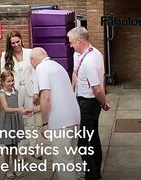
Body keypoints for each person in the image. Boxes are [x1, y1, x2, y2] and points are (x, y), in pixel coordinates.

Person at [29, 47, 81, 180]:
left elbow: (46, 97)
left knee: (63, 163)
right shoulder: (58, 66)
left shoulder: (41, 68)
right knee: (70, 159)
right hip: (74, 118)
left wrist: (44, 123)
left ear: (32, 59)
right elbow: (59, 97)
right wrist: (34, 110)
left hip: (59, 124)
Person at [67, 27, 111, 180]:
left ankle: (91, 175)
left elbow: (97, 88)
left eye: (71, 42)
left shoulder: (90, 60)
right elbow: (75, 73)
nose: (70, 45)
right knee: (93, 137)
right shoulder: (81, 54)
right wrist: (71, 94)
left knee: (84, 143)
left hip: (89, 104)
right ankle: (95, 172)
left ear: (79, 40)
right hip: (81, 99)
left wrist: (104, 102)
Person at [0, 30, 41, 160]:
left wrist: (36, 91)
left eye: (18, 41)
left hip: (29, 90)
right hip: (15, 92)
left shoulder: (30, 52)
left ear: (21, 40)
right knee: (18, 120)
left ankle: (33, 148)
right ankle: (20, 151)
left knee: (31, 120)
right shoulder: (5, 56)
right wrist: (7, 93)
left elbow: (36, 73)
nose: (16, 44)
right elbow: (4, 75)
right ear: (9, 43)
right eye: (13, 43)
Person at [0, 70, 31, 179]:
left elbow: (16, 106)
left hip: (15, 120)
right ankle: (7, 169)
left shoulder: (15, 91)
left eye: (12, 80)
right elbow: (6, 109)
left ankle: (16, 168)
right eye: (8, 81)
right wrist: (19, 109)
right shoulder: (2, 94)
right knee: (8, 146)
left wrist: (22, 113)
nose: (11, 83)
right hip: (7, 121)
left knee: (15, 146)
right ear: (3, 82)